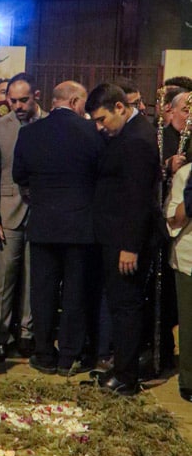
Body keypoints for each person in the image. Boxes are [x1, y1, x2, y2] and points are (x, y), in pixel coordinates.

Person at [13, 81, 103, 374]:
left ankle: (43, 353)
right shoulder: (92, 132)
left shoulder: (29, 133)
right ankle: (69, 356)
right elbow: (101, 173)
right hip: (80, 225)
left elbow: (19, 174)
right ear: (75, 101)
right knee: (75, 292)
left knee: (43, 291)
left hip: (43, 223)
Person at [85, 82, 160, 395]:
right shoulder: (127, 133)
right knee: (119, 304)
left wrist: (130, 246)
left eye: (102, 119)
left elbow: (138, 198)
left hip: (126, 240)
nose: (100, 127)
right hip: (116, 235)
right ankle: (120, 367)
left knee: (125, 306)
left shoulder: (137, 139)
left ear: (120, 107)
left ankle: (126, 377)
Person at [0, 72, 44, 364]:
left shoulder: (49, 123)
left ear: (36, 96)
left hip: (42, 213)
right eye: (13, 100)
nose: (17, 106)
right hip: (7, 213)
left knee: (35, 276)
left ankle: (27, 333)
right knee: (3, 278)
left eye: (23, 100)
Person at [165, 162, 192, 402]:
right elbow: (173, 220)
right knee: (189, 324)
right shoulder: (185, 174)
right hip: (189, 259)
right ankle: (189, 380)